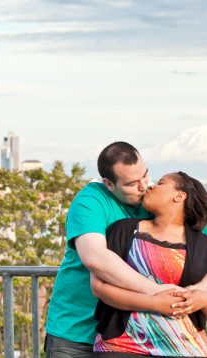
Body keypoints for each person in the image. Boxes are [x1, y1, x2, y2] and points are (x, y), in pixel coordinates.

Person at [45, 142, 207, 357]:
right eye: (132, 183)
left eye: (145, 176)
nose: (144, 186)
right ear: (109, 184)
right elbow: (95, 258)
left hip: (138, 337)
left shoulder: (154, 203)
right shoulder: (91, 200)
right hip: (76, 331)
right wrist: (157, 294)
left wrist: (201, 292)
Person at [92, 171, 207, 356]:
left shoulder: (203, 245)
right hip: (122, 346)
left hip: (187, 348)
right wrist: (153, 302)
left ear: (180, 196)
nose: (151, 186)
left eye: (161, 183)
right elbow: (99, 288)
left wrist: (202, 300)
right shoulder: (123, 230)